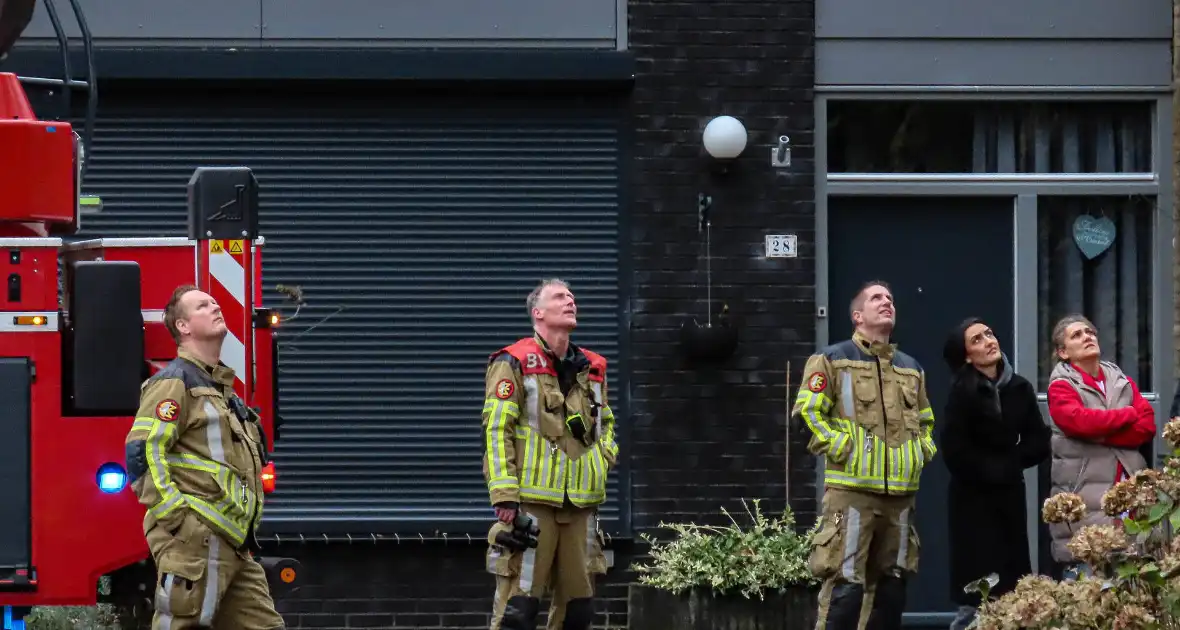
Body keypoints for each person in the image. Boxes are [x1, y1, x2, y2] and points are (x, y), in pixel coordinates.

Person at [124, 285, 285, 630]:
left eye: (214, 302)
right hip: (197, 540)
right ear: (182, 326)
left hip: (234, 543)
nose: (215, 307)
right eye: (202, 305)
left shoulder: (220, 390)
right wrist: (179, 519)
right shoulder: (174, 383)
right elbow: (142, 452)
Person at [793, 280, 935, 630]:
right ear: (858, 316)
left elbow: (927, 422)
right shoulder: (831, 360)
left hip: (900, 499)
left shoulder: (911, 368)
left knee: (892, 589)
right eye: (876, 298)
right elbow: (808, 415)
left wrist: (920, 452)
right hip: (851, 494)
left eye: (890, 298)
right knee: (845, 586)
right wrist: (843, 447)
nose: (887, 302)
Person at [482, 278, 619, 630]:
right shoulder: (513, 362)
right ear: (538, 312)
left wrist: (603, 460)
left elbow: (607, 424)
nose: (570, 301)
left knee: (578, 612)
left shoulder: (593, 368)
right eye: (560, 297)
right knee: (519, 609)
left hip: (581, 507)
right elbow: (498, 431)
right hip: (530, 506)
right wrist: (505, 495)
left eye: (572, 296)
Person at [939, 317, 1051, 630]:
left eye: (989, 333)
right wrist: (992, 468)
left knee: (1012, 587)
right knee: (976, 595)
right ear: (966, 356)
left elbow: (1039, 440)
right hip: (972, 500)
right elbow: (954, 451)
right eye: (977, 339)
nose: (989, 341)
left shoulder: (1019, 387)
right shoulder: (961, 394)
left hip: (1009, 496)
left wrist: (1011, 462)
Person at [1045, 314, 1156, 579]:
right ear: (1063, 352)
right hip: (1085, 501)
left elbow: (1148, 426)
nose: (1087, 337)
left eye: (1090, 332)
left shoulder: (1120, 380)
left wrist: (1102, 432)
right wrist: (1126, 415)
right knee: (1084, 597)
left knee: (1130, 600)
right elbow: (1080, 423)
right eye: (1077, 335)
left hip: (1130, 500)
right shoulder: (1061, 385)